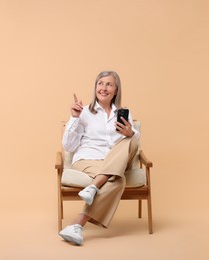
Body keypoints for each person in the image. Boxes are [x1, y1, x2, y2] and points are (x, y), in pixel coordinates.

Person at [59, 70, 140, 246]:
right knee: (117, 181)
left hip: (114, 160)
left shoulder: (124, 113)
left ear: (116, 90)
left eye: (109, 84)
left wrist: (130, 133)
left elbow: (134, 146)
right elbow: (69, 147)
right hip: (88, 160)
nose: (104, 88)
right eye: (100, 83)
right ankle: (77, 226)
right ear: (95, 87)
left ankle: (93, 187)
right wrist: (74, 118)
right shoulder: (84, 112)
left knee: (131, 139)